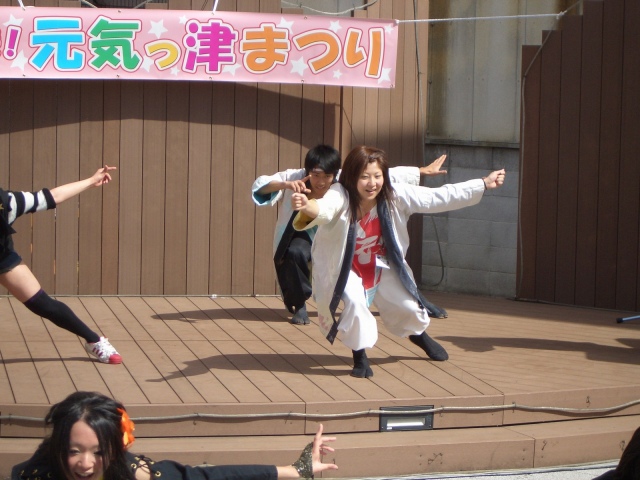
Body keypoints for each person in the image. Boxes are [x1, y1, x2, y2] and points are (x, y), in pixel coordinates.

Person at [291, 145, 505, 378]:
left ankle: (419, 336)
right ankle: (359, 355)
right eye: (364, 177)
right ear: (352, 176)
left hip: (381, 262)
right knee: (354, 302)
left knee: (407, 306)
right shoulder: (340, 194)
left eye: (377, 176)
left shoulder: (395, 195)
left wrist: (482, 184)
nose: (372, 183)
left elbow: (439, 196)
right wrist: (307, 205)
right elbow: (324, 208)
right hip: (345, 266)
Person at [252, 144, 448, 325]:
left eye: (327, 176)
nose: (321, 182)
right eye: (316, 175)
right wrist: (285, 185)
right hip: (306, 234)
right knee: (294, 253)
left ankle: (418, 300)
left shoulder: (344, 179)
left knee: (385, 260)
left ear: (336, 173)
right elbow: (261, 184)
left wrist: (421, 171)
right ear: (308, 171)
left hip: (339, 235)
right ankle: (299, 305)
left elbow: (385, 174)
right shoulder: (294, 177)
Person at [11, 391, 339, 480]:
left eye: (98, 452)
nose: (85, 464)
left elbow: (210, 476)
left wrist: (297, 470)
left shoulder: (137, 474)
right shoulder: (33, 475)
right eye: (74, 451)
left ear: (117, 447)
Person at [0, 166, 122, 364]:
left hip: (2, 259)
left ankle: (94, 340)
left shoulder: (9, 203)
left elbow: (53, 196)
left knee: (43, 304)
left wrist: (91, 181)